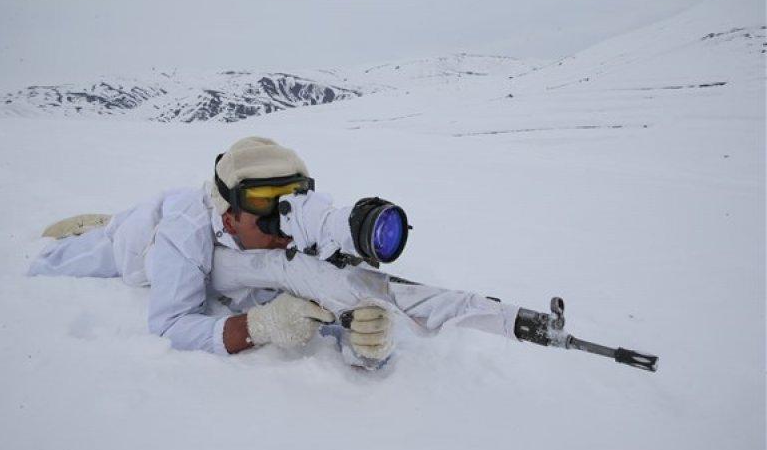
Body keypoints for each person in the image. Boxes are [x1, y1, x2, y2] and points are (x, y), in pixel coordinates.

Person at [28, 136, 525, 367]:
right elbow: (171, 325)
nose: (283, 223)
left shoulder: (291, 231)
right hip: (144, 238)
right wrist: (257, 328)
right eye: (265, 207)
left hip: (224, 254)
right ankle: (99, 225)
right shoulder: (184, 233)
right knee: (73, 258)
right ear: (227, 215)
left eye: (290, 200)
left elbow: (324, 294)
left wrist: (363, 341)